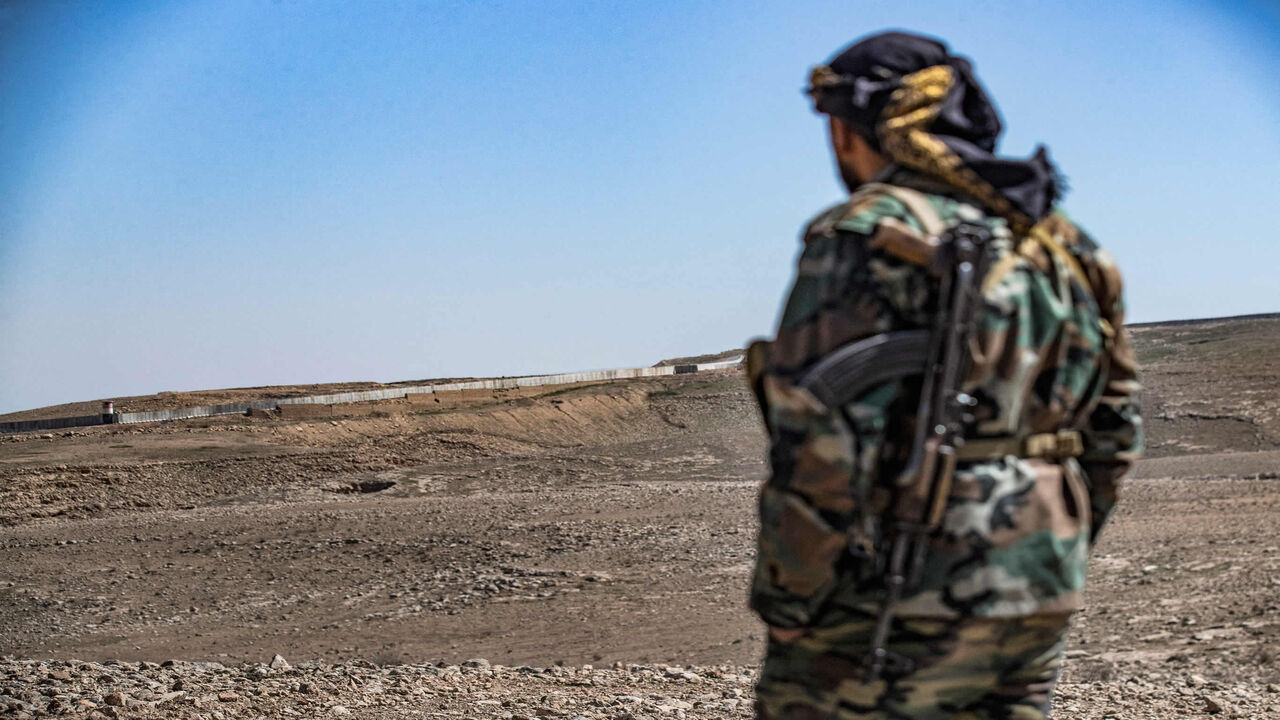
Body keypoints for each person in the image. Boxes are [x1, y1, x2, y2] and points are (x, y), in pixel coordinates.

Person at [746, 31, 1143, 719]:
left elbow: (821, 443)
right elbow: (1113, 427)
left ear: (850, 130)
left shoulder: (866, 232)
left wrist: (790, 599)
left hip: (896, 595)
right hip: (1038, 588)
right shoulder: (1067, 245)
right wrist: (1052, 549)